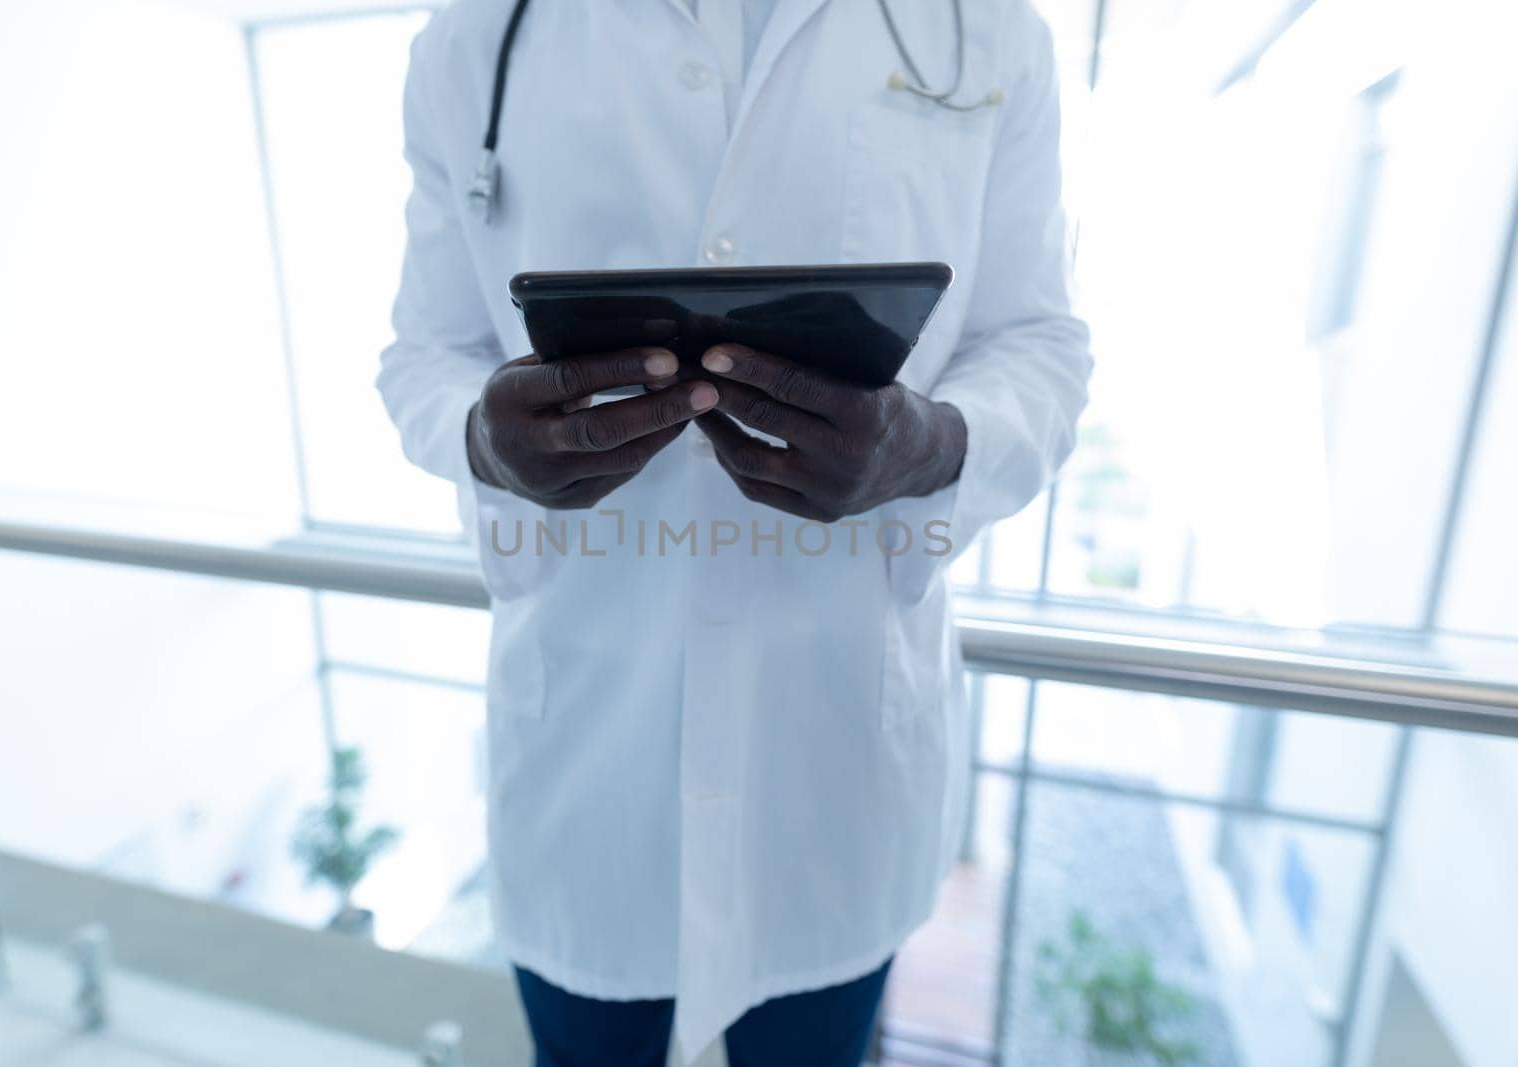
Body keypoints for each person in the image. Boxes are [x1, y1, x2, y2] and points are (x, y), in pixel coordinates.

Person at [378, 1, 1092, 1064]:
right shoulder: (472, 38)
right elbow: (421, 355)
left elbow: (1037, 342)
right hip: (586, 772)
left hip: (833, 783)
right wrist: (482, 437)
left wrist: (934, 443)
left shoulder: (984, 27)